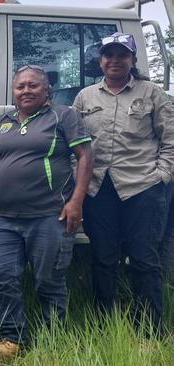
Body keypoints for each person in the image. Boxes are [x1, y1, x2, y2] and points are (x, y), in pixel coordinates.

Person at [0, 65, 92, 362]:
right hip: (4, 219)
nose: (26, 91)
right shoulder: (2, 122)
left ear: (47, 90)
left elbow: (84, 156)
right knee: (2, 277)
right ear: (13, 92)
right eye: (20, 87)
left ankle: (54, 337)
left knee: (49, 280)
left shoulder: (63, 116)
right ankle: (11, 339)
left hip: (49, 216)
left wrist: (76, 201)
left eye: (33, 86)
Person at [73, 32, 174, 334]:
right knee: (103, 258)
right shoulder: (85, 97)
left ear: (132, 60)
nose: (115, 60)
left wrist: (162, 176)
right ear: (100, 60)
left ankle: (150, 328)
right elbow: (74, 144)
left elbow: (170, 141)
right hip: (97, 188)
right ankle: (105, 323)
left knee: (145, 259)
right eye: (109, 55)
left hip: (143, 186)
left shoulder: (153, 93)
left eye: (122, 55)